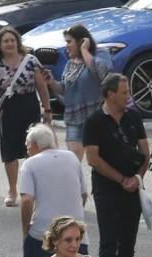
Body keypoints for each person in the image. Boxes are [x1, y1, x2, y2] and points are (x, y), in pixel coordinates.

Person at [84, 72, 148, 257]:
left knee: (128, 239)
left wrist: (136, 178)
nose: (128, 96)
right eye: (124, 92)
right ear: (110, 94)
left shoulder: (133, 117)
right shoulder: (94, 122)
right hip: (106, 188)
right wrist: (121, 179)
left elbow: (144, 150)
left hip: (132, 187)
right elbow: (93, 158)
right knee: (109, 240)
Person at [0, 27, 51, 207]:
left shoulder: (31, 61)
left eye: (12, 40)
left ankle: (32, 188)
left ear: (17, 42)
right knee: (9, 152)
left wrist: (47, 110)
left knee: (33, 150)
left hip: (29, 106)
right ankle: (12, 190)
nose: (9, 44)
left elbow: (41, 87)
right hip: (8, 109)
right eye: (5, 41)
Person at [18, 123, 89, 257]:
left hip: (43, 234)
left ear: (35, 145)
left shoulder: (30, 164)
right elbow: (84, 194)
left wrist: (25, 229)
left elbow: (27, 199)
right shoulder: (72, 158)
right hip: (76, 235)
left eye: (28, 146)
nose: (27, 150)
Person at [45, 24, 114, 160]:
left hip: (96, 119)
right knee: (73, 161)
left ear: (81, 41)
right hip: (74, 119)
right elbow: (63, 90)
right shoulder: (70, 64)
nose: (67, 46)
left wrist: (84, 50)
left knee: (99, 161)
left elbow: (98, 71)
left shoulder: (100, 54)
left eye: (69, 42)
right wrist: (51, 82)